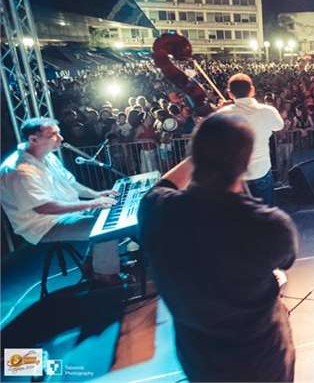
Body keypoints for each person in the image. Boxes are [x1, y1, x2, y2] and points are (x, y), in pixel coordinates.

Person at [138, 113, 298, 382]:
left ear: (195, 154)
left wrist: (204, 149)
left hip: (198, 359)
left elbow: (163, 186)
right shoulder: (270, 226)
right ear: (246, 161)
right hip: (260, 361)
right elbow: (283, 263)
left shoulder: (156, 210)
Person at [0, 118, 121, 282]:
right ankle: (105, 276)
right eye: (53, 134)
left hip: (64, 213)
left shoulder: (48, 156)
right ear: (33, 139)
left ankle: (92, 264)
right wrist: (92, 203)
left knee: (111, 212)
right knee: (106, 228)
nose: (61, 138)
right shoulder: (20, 170)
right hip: (44, 225)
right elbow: (44, 207)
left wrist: (97, 195)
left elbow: (71, 183)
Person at [217, 73, 284, 206]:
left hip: (238, 175)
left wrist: (220, 110)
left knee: (242, 214)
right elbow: (279, 126)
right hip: (261, 170)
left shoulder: (223, 114)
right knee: (265, 210)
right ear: (252, 90)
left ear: (230, 94)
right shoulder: (267, 111)